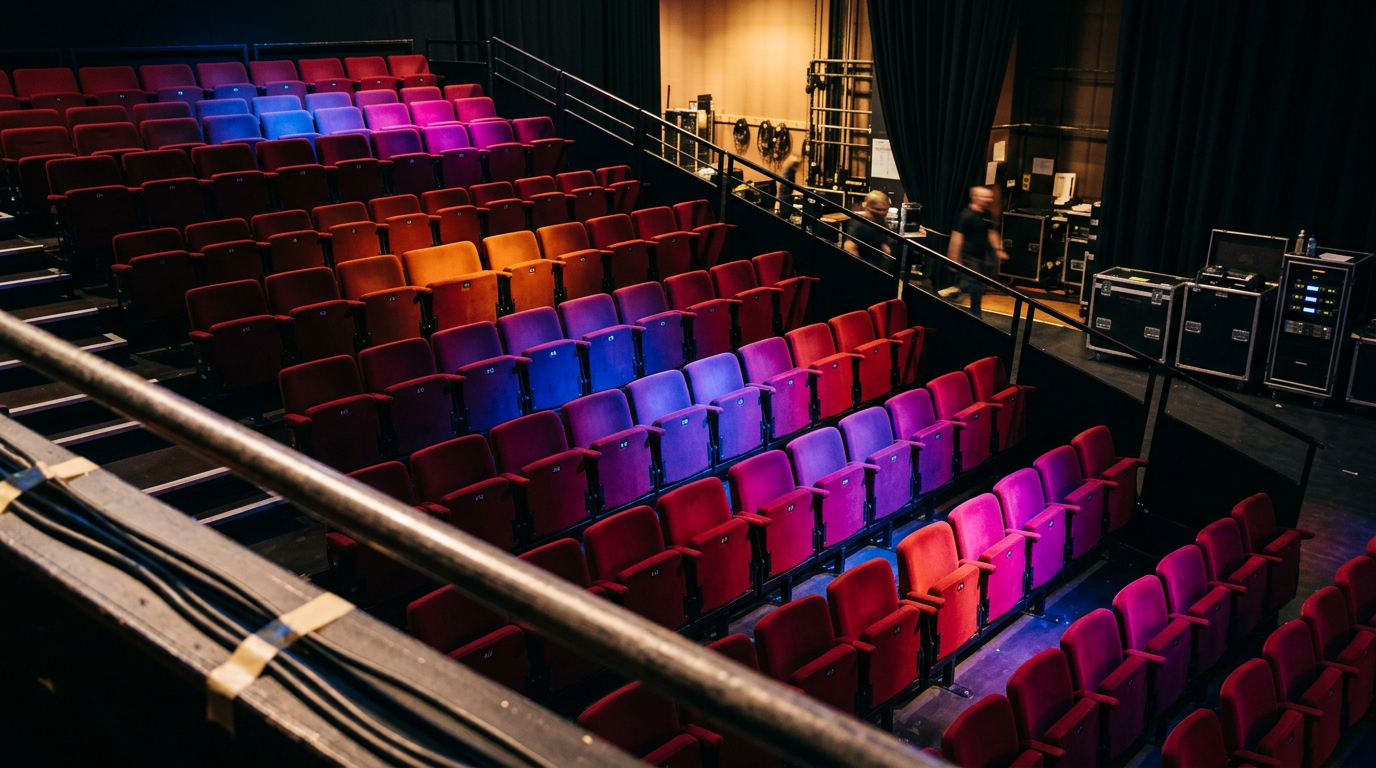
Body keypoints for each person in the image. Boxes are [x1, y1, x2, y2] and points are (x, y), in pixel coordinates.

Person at [938, 186, 1007, 317]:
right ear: (975, 197)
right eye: (984, 197)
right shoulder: (966, 215)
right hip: (968, 256)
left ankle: (975, 314)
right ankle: (956, 291)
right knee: (974, 284)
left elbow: (991, 232)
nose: (988, 200)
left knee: (977, 288)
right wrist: (953, 259)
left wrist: (998, 249)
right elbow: (957, 237)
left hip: (981, 255)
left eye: (989, 197)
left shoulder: (986, 214)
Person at [843, 190, 893, 258]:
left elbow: (884, 246)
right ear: (867, 207)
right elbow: (849, 247)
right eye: (878, 209)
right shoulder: (859, 223)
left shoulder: (880, 221)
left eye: (884, 210)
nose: (882, 213)